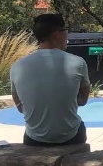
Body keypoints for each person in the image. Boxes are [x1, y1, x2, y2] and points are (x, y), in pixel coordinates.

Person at [10, 14, 90, 146]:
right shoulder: (78, 63)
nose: (67, 35)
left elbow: (20, 107)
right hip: (71, 137)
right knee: (78, 126)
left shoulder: (17, 66)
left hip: (34, 139)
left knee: (29, 130)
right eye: (66, 31)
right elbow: (82, 101)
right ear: (56, 35)